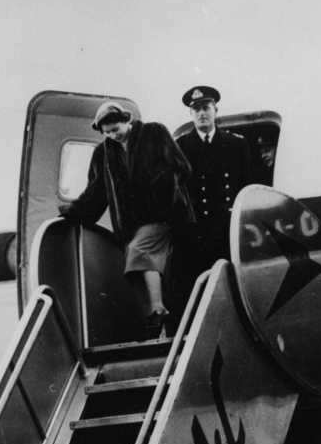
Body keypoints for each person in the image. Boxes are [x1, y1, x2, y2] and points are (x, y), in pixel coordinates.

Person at [58, 101, 194, 339]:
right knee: (135, 266)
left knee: (138, 250)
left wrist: (161, 190)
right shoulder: (104, 152)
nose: (113, 135)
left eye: (116, 128)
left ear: (127, 121)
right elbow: (97, 190)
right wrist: (75, 211)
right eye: (108, 132)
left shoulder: (154, 133)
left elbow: (181, 167)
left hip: (164, 215)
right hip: (133, 224)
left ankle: (157, 307)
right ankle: (154, 319)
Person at [169, 86, 252, 320]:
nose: (201, 114)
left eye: (205, 108)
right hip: (196, 231)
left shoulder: (236, 145)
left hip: (226, 228)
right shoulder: (181, 147)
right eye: (196, 110)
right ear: (190, 114)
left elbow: (246, 185)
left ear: (216, 110)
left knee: (231, 282)